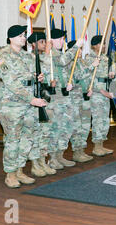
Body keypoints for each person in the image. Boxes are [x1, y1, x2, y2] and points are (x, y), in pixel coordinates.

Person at [0, 25, 48, 188]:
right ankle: (11, 174)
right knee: (13, 140)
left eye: (24, 35)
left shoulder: (27, 56)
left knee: (27, 138)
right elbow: (12, 82)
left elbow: (27, 77)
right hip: (11, 105)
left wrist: (37, 77)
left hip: (28, 104)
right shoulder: (2, 56)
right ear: (11, 38)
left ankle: (20, 170)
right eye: (21, 35)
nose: (24, 37)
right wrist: (32, 99)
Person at [42, 29, 83, 169]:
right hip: (55, 98)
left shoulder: (59, 53)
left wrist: (68, 84)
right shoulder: (50, 54)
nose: (62, 41)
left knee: (66, 127)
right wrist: (76, 46)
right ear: (51, 41)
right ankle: (52, 158)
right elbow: (63, 61)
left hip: (65, 96)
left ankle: (60, 155)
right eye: (60, 39)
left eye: (63, 39)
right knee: (56, 128)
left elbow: (63, 73)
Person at [27, 32, 57, 177]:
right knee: (35, 133)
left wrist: (51, 85)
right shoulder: (29, 58)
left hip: (45, 98)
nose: (44, 44)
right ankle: (34, 164)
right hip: (34, 101)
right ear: (33, 44)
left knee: (45, 133)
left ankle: (42, 161)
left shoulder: (45, 59)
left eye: (45, 42)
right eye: (41, 42)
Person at [83, 35, 115, 157]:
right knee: (97, 120)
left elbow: (103, 75)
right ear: (94, 45)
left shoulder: (105, 58)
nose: (104, 46)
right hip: (97, 93)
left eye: (105, 43)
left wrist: (109, 74)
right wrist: (101, 91)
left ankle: (101, 145)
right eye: (101, 44)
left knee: (104, 120)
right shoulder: (90, 58)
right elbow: (88, 78)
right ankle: (96, 147)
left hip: (105, 91)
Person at [66, 40, 94, 163]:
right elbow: (77, 76)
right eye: (78, 49)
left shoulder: (81, 62)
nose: (80, 52)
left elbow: (86, 78)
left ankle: (82, 150)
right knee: (76, 127)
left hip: (84, 97)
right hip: (74, 99)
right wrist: (92, 66)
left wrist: (89, 88)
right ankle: (77, 152)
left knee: (85, 126)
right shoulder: (70, 63)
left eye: (81, 49)